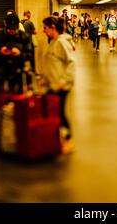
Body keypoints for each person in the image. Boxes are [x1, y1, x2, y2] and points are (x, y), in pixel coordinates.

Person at [42, 17, 75, 154]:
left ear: (52, 27)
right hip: (53, 85)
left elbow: (72, 62)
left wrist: (63, 80)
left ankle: (68, 139)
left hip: (61, 86)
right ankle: (57, 138)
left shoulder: (62, 42)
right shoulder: (54, 42)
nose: (43, 30)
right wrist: (45, 79)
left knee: (60, 112)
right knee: (54, 113)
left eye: (45, 28)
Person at [0, 13, 32, 92]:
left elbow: (29, 55)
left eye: (14, 28)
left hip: (19, 72)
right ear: (6, 25)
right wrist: (0, 52)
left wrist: (20, 54)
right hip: (1, 72)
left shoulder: (23, 36)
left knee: (19, 99)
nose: (12, 31)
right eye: (10, 29)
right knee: (1, 98)